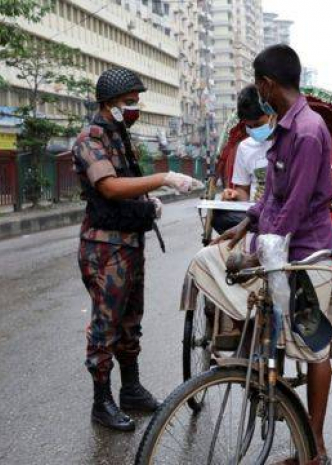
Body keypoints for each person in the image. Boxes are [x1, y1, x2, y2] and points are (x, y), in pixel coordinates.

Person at [214, 44, 332, 464]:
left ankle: (315, 446)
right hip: (281, 252)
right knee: (274, 333)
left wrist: (256, 255)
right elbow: (272, 196)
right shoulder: (285, 129)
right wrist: (247, 222)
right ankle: (292, 424)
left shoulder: (306, 131)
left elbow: (295, 206)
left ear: (266, 84)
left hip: (307, 254)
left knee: (313, 345)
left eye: (257, 83)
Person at [74, 67, 203, 432]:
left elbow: (128, 186)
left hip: (129, 243)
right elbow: (111, 188)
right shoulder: (90, 139)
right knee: (105, 326)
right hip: (104, 249)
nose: (135, 108)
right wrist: (163, 178)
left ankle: (130, 389)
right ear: (110, 103)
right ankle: (102, 402)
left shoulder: (120, 135)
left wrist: (148, 203)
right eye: (130, 102)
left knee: (131, 322)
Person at [210, 85, 274, 234]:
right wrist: (235, 195)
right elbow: (242, 190)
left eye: (258, 125)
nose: (254, 130)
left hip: (281, 213)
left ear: (271, 114)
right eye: (249, 127)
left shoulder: (293, 140)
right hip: (254, 214)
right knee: (219, 218)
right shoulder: (245, 147)